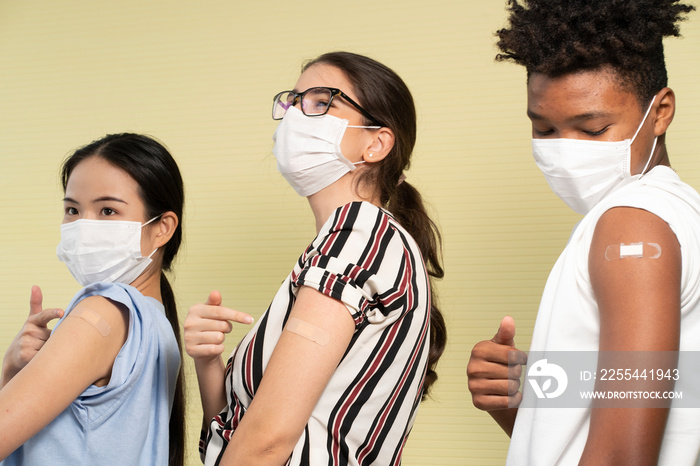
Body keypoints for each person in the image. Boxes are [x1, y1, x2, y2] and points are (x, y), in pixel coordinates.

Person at [185, 51, 446, 466]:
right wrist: (208, 363)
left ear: (376, 142)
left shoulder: (359, 231)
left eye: (322, 101)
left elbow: (269, 442)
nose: (295, 114)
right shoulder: (347, 242)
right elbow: (241, 430)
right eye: (294, 100)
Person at [467, 1, 700, 464]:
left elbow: (621, 457)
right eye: (545, 128)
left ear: (661, 111)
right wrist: (525, 401)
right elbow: (675, 400)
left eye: (592, 129)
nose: (565, 151)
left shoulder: (631, 222)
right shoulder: (682, 211)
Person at [0, 133, 186, 465]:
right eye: (72, 209)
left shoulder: (103, 310)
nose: (83, 225)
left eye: (108, 210)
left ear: (162, 228)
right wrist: (13, 369)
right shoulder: (157, 324)